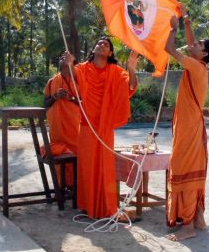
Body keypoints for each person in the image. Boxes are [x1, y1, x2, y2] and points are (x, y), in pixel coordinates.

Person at [64, 38, 139, 219]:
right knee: (88, 166)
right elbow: (69, 75)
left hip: (105, 127)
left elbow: (131, 86)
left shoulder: (115, 71)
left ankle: (107, 207)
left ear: (110, 53)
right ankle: (88, 206)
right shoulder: (83, 68)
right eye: (99, 43)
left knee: (105, 167)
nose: (102, 45)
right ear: (93, 49)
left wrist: (131, 67)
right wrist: (68, 63)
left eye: (106, 45)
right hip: (87, 125)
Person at [163, 7, 209, 241]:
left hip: (189, 126)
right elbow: (191, 42)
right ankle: (196, 216)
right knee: (188, 167)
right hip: (190, 123)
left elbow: (168, 49)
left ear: (203, 54)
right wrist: (186, 20)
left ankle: (187, 227)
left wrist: (173, 29)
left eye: (198, 44)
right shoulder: (198, 64)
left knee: (183, 168)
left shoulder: (195, 66)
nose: (193, 44)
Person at [42, 56, 81, 187]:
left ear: (73, 64)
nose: (62, 59)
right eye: (61, 58)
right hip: (56, 127)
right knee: (59, 155)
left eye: (66, 58)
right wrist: (55, 97)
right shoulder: (52, 81)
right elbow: (45, 103)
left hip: (74, 126)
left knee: (75, 155)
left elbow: (85, 103)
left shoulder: (79, 80)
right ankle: (61, 186)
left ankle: (75, 187)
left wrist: (70, 98)